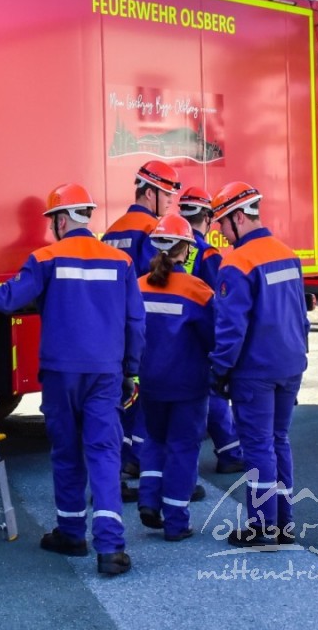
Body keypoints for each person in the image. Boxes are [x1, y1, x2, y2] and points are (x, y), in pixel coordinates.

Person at [0, 183, 144, 576]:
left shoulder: (45, 259)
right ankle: (111, 549)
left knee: (66, 452)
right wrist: (132, 370)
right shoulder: (121, 262)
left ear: (61, 220)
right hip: (105, 373)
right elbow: (135, 322)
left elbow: (5, 299)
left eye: (52, 220)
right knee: (104, 454)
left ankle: (71, 534)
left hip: (60, 374)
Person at [209, 181, 310, 547]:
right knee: (279, 440)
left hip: (255, 371)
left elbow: (231, 328)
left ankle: (262, 527)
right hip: (290, 364)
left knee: (257, 447)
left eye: (222, 222)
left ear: (238, 217)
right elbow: (301, 315)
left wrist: (218, 370)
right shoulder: (287, 254)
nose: (220, 231)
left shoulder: (237, 262)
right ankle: (283, 524)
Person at [134, 214, 213, 542]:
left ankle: (148, 500)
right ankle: (176, 522)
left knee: (154, 440)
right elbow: (214, 338)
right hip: (188, 386)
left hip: (149, 382)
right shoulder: (198, 291)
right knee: (182, 447)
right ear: (187, 250)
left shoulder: (138, 286)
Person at [103, 160, 181, 491]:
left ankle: (122, 458)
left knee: (121, 396)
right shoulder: (153, 230)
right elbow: (158, 279)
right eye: (167, 195)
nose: (170, 203)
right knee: (143, 396)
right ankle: (139, 460)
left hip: (112, 326)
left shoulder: (112, 231)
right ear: (150, 193)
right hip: (143, 325)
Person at [178, 186, 245, 474]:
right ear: (207, 218)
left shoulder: (167, 244)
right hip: (201, 334)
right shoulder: (208, 254)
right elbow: (222, 300)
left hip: (170, 336)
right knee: (212, 392)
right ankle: (230, 453)